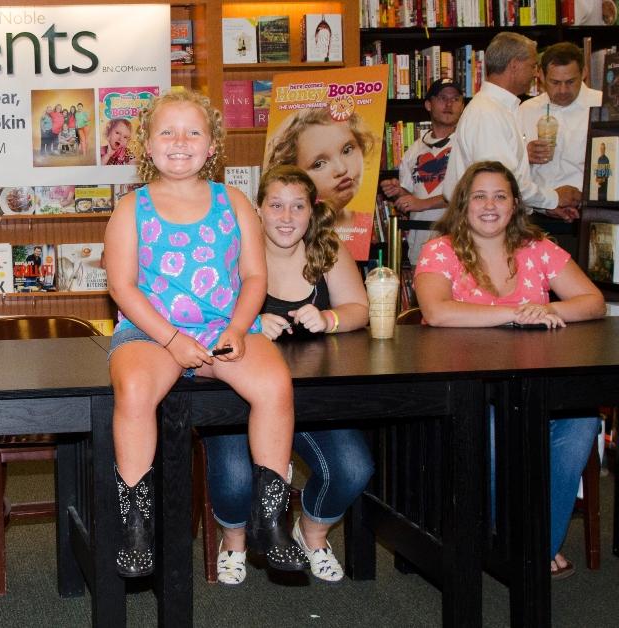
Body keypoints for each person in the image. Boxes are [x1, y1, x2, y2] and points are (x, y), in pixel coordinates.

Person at [104, 89, 305, 578]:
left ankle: (271, 517)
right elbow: (122, 286)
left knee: (276, 385)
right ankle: (134, 522)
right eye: (167, 131)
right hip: (152, 332)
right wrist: (172, 340)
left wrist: (238, 327)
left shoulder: (233, 201)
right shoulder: (131, 207)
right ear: (146, 146)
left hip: (223, 327)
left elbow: (256, 276)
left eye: (193, 131)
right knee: (132, 389)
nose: (180, 141)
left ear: (212, 144)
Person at [414, 160, 605, 580]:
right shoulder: (439, 250)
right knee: (497, 434)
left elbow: (592, 302)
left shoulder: (539, 248)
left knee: (581, 423)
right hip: (469, 391)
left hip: (537, 386)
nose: (489, 205)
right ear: (463, 204)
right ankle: (518, 541)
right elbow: (437, 312)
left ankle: (533, 545)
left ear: (515, 204)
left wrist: (548, 308)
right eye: (479, 195)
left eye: (500, 196)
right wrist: (515, 314)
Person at [203, 165, 371, 585]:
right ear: (257, 210)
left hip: (309, 398)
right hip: (235, 394)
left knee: (353, 467)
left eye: (298, 206)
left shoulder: (326, 248)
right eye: (275, 205)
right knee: (237, 478)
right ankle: (234, 541)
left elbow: (359, 309)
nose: (286, 216)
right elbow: (204, 316)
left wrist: (329, 317)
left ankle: (311, 534)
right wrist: (252, 322)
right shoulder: (234, 249)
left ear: (312, 213)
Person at [443, 32, 581, 220]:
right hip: (484, 225)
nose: (535, 73)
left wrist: (544, 207)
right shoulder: (488, 112)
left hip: (490, 222)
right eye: (533, 66)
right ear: (514, 65)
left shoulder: (498, 108)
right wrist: (554, 198)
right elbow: (503, 183)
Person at [380, 78, 465, 266]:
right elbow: (412, 197)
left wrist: (423, 204)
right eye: (442, 98)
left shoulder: (467, 143)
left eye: (456, 99)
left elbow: (468, 194)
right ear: (428, 104)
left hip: (459, 241)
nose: (449, 104)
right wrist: (399, 192)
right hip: (422, 242)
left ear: (462, 105)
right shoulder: (414, 150)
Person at [263, 107, 377, 241]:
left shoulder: (368, 226)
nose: (341, 169)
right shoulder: (289, 233)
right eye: (319, 164)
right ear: (293, 176)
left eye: (347, 150)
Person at [518, 43, 602, 217]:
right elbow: (508, 169)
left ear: (584, 73)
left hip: (590, 213)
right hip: (538, 215)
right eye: (555, 82)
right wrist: (523, 156)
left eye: (570, 82)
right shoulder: (525, 110)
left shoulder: (604, 105)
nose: (563, 90)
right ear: (540, 75)